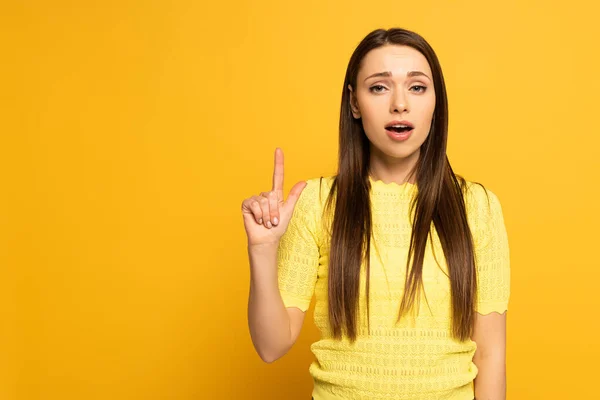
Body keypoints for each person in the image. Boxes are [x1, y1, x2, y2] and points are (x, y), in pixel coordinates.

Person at [242, 27, 510, 400]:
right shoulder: (316, 204)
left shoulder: (477, 207)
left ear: (436, 101)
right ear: (354, 103)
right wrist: (262, 248)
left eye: (417, 87)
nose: (399, 104)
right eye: (379, 87)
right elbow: (271, 346)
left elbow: (491, 353)